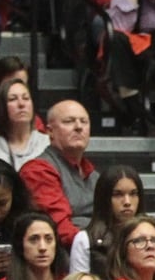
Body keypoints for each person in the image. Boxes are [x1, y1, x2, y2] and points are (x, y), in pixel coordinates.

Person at [18, 102, 98, 251]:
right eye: (69, 121)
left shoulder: (94, 175)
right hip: (63, 257)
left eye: (84, 121)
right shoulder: (37, 171)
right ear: (50, 132)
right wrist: (101, 244)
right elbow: (59, 228)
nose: (79, 127)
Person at [0, 78, 49, 168]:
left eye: (26, 98)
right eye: (13, 99)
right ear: (1, 107)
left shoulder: (47, 143)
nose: (21, 104)